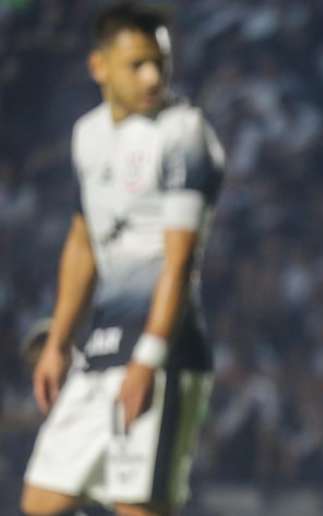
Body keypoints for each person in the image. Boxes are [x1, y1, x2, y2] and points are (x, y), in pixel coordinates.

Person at [20, 2, 224, 515]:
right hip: (101, 349)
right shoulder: (87, 135)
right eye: (137, 64)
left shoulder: (184, 133)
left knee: (139, 508)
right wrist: (59, 343)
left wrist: (147, 361)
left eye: (160, 61)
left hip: (163, 355)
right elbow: (83, 241)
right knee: (42, 500)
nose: (153, 75)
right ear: (99, 67)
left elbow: (180, 260)